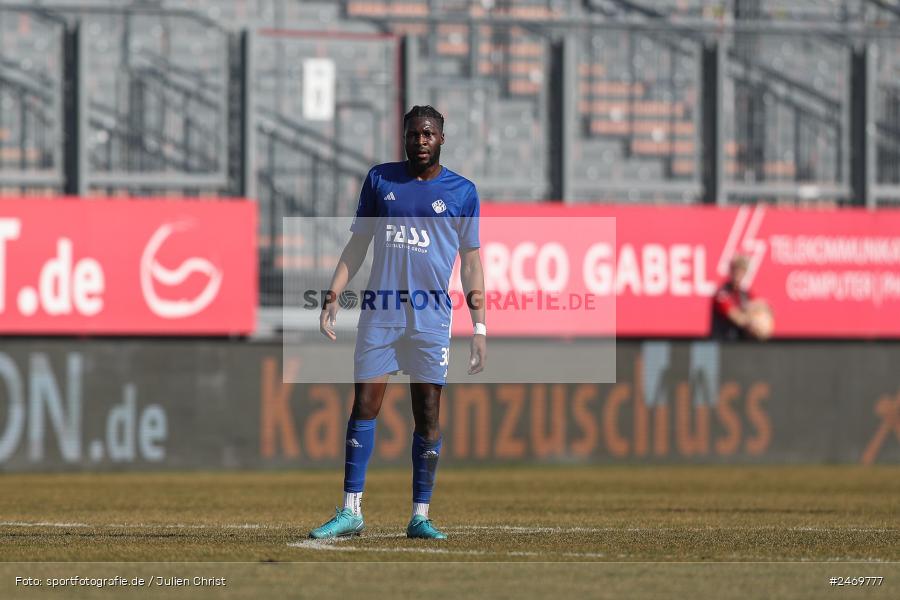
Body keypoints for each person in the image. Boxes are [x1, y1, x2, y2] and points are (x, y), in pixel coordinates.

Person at [309, 105, 486, 541]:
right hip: (381, 314)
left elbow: (471, 265)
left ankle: (420, 515)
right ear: (404, 137)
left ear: (441, 139)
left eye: (428, 134)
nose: (420, 141)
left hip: (430, 319)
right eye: (413, 134)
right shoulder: (380, 180)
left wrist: (480, 326)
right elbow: (358, 244)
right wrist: (334, 292)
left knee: (427, 415)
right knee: (364, 406)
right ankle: (351, 510)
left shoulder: (462, 192)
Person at [710, 255, 772, 340]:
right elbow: (735, 317)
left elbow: (761, 306)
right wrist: (753, 322)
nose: (738, 274)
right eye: (736, 270)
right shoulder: (722, 293)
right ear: (731, 271)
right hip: (723, 342)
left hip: (740, 342)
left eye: (742, 271)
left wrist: (763, 318)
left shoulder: (745, 294)